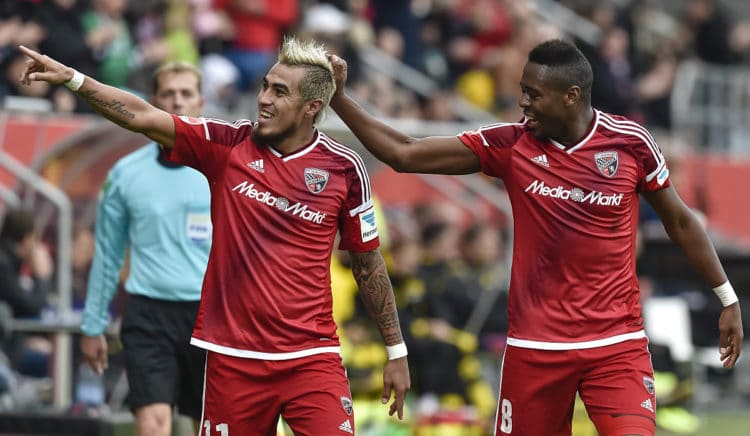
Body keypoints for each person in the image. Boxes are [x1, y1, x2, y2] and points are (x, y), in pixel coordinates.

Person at [327, 38, 744, 435]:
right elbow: (404, 153)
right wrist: (340, 100)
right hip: (535, 350)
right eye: (522, 91)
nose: (523, 103)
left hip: (616, 345)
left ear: (572, 95)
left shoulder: (630, 144)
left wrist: (726, 297)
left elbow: (682, 222)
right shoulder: (511, 145)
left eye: (533, 93)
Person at [19, 36, 410, 435]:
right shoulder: (228, 144)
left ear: (312, 107)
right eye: (264, 86)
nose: (264, 99)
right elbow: (141, 116)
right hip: (232, 359)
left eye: (279, 91)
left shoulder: (344, 168)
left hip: (311, 358)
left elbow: (367, 264)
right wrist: (73, 79)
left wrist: (396, 351)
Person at [79, 61, 211, 436]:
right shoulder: (125, 174)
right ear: (152, 102)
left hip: (211, 315)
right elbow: (107, 253)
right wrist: (93, 326)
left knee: (213, 425)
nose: (178, 101)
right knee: (153, 422)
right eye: (168, 94)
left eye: (186, 93)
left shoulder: (224, 168)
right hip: (148, 315)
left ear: (201, 101)